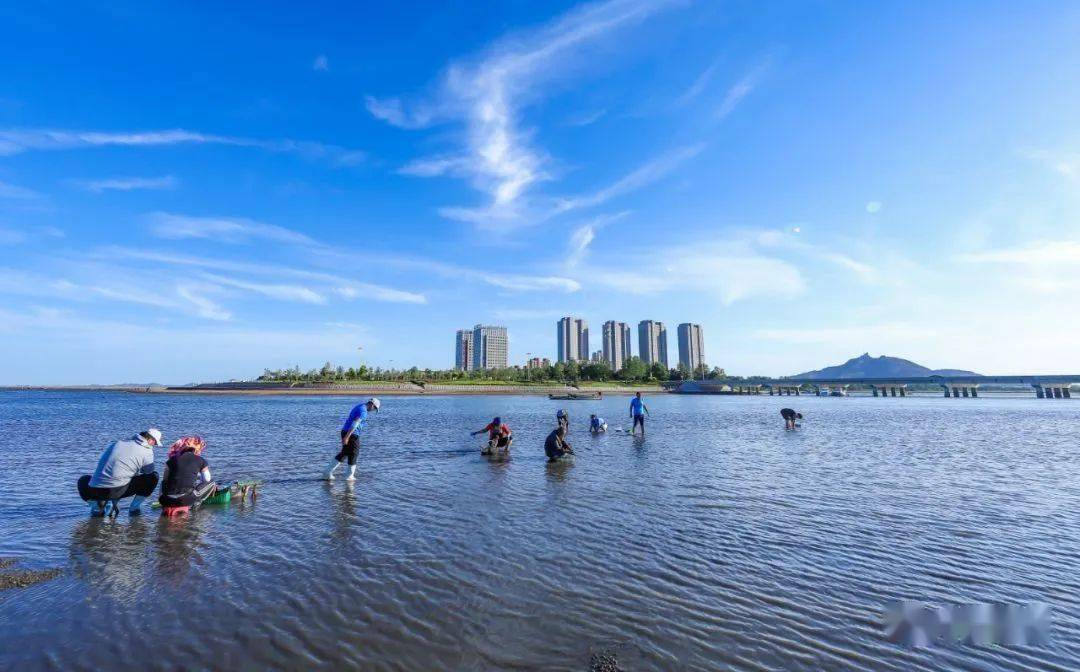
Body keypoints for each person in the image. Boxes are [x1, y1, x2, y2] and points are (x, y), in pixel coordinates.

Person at [77, 428, 163, 517]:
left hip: (95, 489)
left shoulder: (117, 443)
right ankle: (134, 508)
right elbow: (148, 472)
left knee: (83, 479)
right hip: (116, 491)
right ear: (150, 440)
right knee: (153, 477)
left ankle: (96, 507)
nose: (154, 446)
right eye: (155, 443)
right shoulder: (147, 451)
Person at [325, 398, 381, 481]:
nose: (373, 410)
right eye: (375, 408)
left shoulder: (360, 406)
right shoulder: (363, 411)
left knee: (345, 453)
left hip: (345, 431)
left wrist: (346, 436)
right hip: (352, 434)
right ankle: (349, 476)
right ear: (372, 404)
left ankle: (327, 473)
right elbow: (355, 424)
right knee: (354, 453)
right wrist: (347, 437)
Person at [158, 436, 217, 510]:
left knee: (163, 482)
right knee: (211, 482)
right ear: (195, 450)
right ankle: (196, 504)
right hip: (185, 500)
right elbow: (206, 479)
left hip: (165, 500)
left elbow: (165, 479)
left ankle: (163, 503)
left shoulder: (171, 460)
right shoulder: (201, 460)